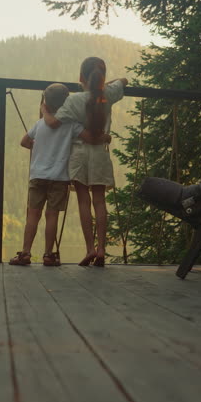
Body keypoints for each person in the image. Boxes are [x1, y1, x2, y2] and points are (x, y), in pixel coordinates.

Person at [9, 82, 111, 266]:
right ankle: (48, 254)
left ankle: (25, 253)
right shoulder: (71, 125)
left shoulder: (39, 124)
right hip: (59, 178)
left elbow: (24, 142)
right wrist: (106, 137)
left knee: (33, 214)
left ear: (45, 104)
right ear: (66, 105)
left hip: (37, 176)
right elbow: (90, 138)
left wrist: (37, 145)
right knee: (52, 215)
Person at [42, 57, 128, 267]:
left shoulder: (73, 101)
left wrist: (45, 109)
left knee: (83, 201)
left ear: (81, 77)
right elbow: (124, 80)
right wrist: (106, 85)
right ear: (102, 78)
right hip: (100, 153)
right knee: (99, 201)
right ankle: (101, 249)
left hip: (79, 155)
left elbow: (53, 123)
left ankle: (89, 248)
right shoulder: (108, 94)